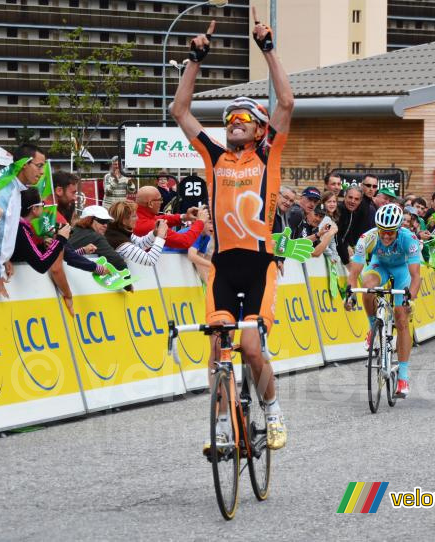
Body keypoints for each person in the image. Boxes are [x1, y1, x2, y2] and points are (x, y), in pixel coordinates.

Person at [171, 12, 293, 451]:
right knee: (218, 350)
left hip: (260, 265)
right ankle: (223, 428)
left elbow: (287, 102)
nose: (234, 121)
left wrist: (268, 49)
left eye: (244, 116)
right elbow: (180, 110)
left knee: (251, 347)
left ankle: (273, 411)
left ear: (260, 128)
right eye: (229, 118)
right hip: (223, 266)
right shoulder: (215, 158)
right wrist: (194, 60)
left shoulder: (269, 154)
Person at [345, 204, 421, 398]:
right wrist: (351, 294)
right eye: (383, 232)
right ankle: (373, 330)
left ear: (398, 229)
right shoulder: (367, 238)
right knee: (368, 286)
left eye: (390, 233)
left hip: (402, 270)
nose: (386, 237)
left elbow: (416, 277)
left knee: (400, 317)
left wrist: (409, 298)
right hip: (379, 266)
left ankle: (402, 377)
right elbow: (354, 273)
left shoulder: (409, 239)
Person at [0, 144, 46, 298]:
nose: (42, 172)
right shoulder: (4, 191)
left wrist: (4, 259)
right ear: (24, 165)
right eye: (39, 166)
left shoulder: (10, 185)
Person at [11, 188, 75, 274]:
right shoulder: (21, 230)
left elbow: (30, 254)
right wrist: (60, 239)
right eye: (42, 203)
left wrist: (44, 247)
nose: (44, 206)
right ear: (34, 209)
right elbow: (41, 265)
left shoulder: (19, 226)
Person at [134, 186, 207, 249]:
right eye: (160, 199)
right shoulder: (149, 225)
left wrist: (184, 217)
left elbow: (160, 218)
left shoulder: (137, 217)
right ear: (150, 204)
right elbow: (184, 242)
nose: (161, 202)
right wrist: (200, 222)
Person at [105, 201, 168, 266]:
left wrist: (154, 233)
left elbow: (139, 244)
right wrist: (160, 236)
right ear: (124, 221)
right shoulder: (119, 241)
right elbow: (150, 260)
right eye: (134, 216)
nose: (137, 218)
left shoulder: (118, 231)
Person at [69, 205, 127, 271]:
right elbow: (119, 263)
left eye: (107, 222)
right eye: (102, 221)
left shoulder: (72, 231)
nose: (105, 225)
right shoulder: (95, 237)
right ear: (89, 220)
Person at [336, 185, 374, 268]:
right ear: (344, 197)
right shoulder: (338, 210)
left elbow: (345, 236)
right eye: (350, 197)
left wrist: (347, 246)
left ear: (360, 201)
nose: (353, 201)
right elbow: (337, 237)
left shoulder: (352, 213)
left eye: (356, 199)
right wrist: (347, 261)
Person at [188, 219, 214, 283]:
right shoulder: (196, 232)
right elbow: (192, 256)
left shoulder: (207, 237)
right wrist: (212, 265)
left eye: (214, 223)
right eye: (210, 222)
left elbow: (199, 258)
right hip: (168, 256)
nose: (213, 226)